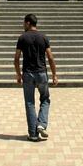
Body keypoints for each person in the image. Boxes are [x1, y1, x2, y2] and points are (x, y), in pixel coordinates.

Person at [14, 13, 58, 142]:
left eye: (24, 23)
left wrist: (18, 74)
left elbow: (16, 59)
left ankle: (33, 134)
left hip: (28, 74)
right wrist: (54, 74)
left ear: (28, 23)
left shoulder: (22, 38)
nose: (23, 25)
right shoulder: (43, 37)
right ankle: (41, 124)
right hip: (41, 73)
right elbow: (50, 57)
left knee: (29, 103)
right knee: (45, 99)